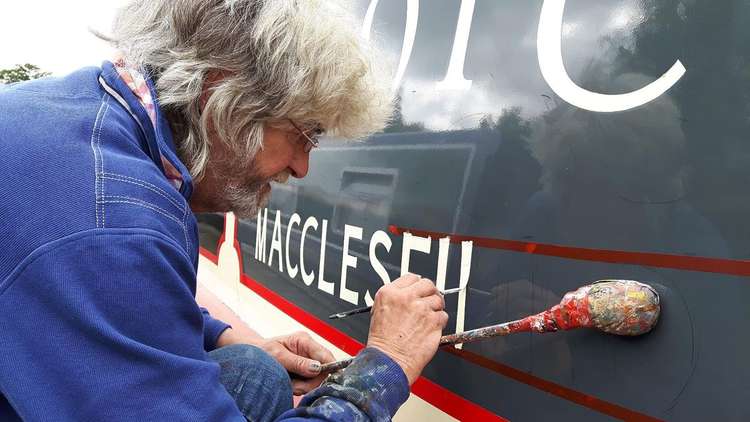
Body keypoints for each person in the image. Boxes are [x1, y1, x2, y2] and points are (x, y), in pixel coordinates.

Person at [0, 0, 449, 421]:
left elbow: (110, 302)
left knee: (253, 368)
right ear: (222, 98)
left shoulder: (85, 115)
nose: (302, 166)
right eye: (303, 134)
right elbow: (106, 271)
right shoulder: (111, 224)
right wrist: (387, 365)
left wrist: (224, 335)